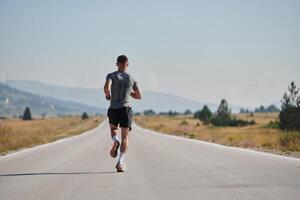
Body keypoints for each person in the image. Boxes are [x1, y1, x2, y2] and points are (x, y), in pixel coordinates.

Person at [103, 55, 142, 172]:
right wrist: (128, 92)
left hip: (114, 108)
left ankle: (115, 141)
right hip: (126, 108)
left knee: (113, 129)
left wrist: (108, 95)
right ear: (127, 64)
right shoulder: (132, 79)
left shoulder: (111, 76)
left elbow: (106, 88)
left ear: (117, 64)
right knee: (125, 136)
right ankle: (120, 162)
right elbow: (139, 96)